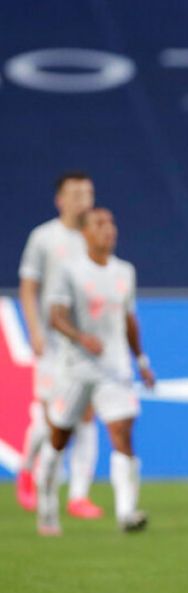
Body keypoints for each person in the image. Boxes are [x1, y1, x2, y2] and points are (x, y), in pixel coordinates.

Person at [37, 207, 156, 535]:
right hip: (76, 369)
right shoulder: (70, 271)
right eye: (100, 224)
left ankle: (126, 512)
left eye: (111, 223)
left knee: (122, 433)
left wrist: (141, 361)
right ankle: (47, 506)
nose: (108, 229)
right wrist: (80, 337)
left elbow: (128, 320)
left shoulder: (124, 272)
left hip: (114, 368)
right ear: (85, 233)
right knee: (59, 437)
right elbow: (56, 315)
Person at [16, 172, 103, 519]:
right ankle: (27, 469)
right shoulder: (44, 238)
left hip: (84, 344)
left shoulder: (95, 235)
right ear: (61, 200)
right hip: (53, 342)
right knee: (51, 418)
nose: (85, 200)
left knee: (86, 415)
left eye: (89, 193)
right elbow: (28, 287)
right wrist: (35, 330)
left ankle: (78, 495)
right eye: (77, 194)